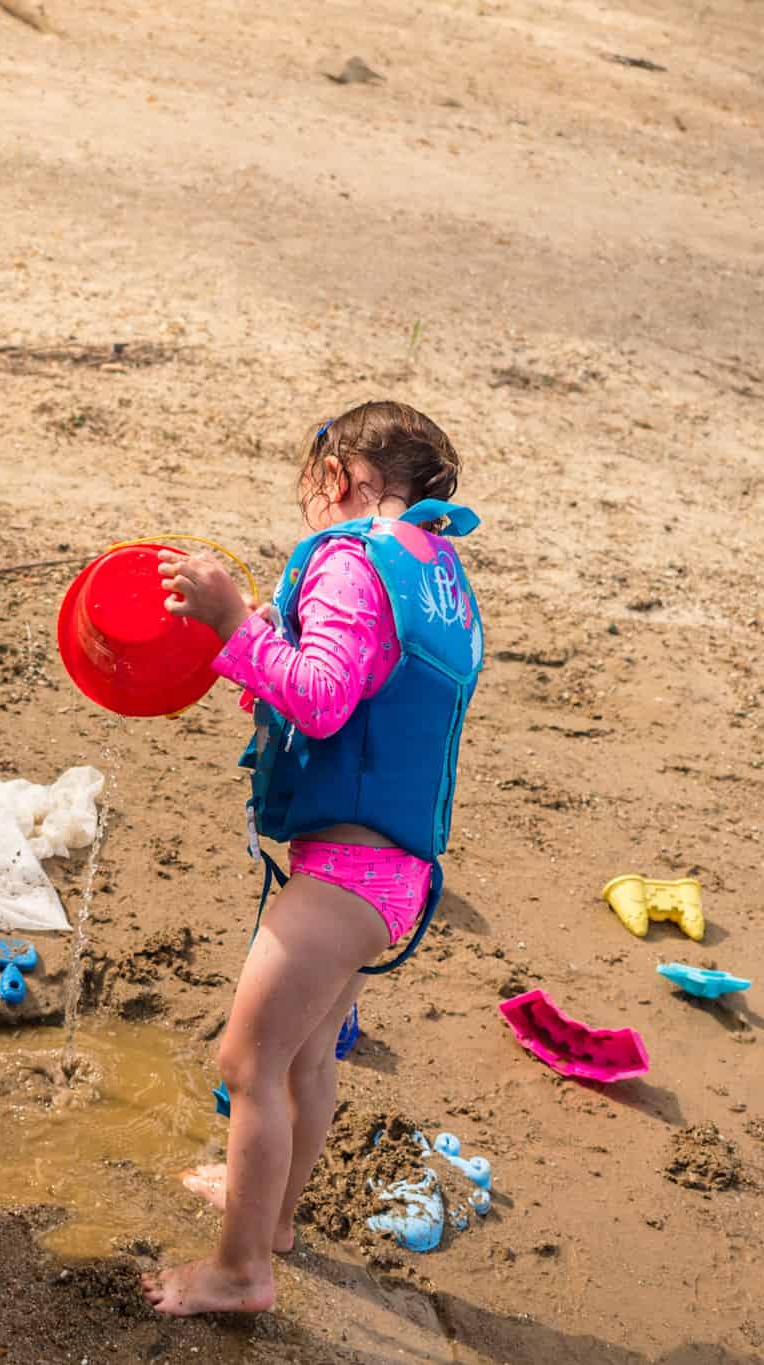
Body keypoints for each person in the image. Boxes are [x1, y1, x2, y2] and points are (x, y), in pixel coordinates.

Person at [142, 401, 484, 1315]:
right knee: (303, 1059)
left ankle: (239, 1271)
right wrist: (261, 642)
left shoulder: (345, 558)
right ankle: (275, 1221)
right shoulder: (435, 567)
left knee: (248, 1061)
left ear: (335, 478)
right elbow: (359, 689)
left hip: (344, 875)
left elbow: (325, 701)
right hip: (396, 874)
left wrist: (230, 623)